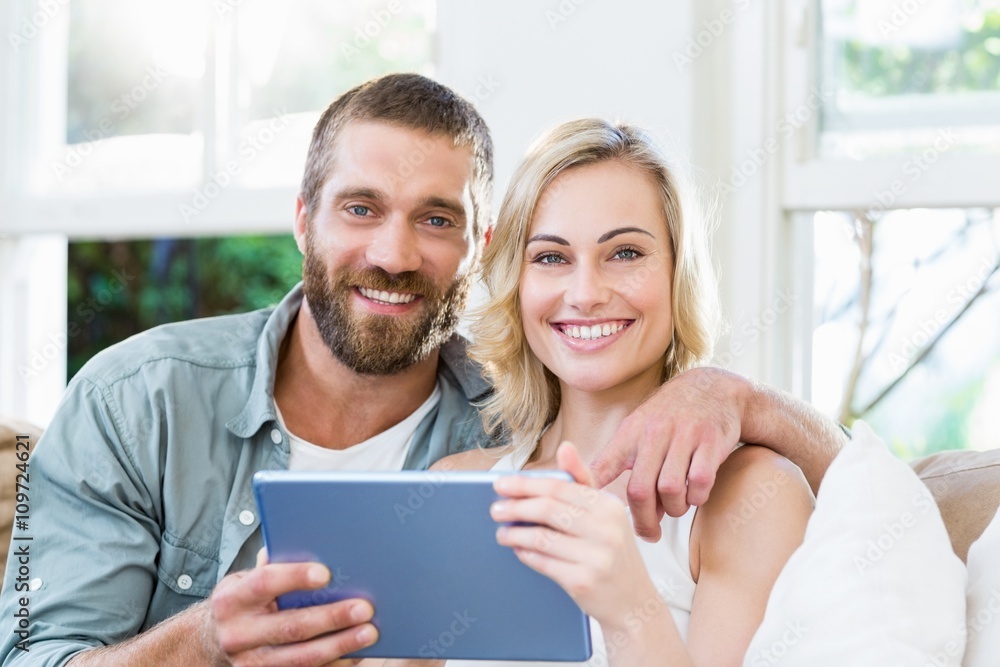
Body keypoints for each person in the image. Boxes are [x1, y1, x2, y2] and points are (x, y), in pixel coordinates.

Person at [0, 74, 843, 667]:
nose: (394, 253)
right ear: (303, 219)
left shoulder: (719, 480)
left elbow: (872, 503)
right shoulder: (136, 400)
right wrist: (206, 641)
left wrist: (740, 395)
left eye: (436, 219)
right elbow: (32, 652)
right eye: (360, 207)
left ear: (479, 248)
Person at [434, 118, 814, 666]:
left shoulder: (752, 497)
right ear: (517, 283)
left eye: (626, 253)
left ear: (679, 272)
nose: (586, 293)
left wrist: (628, 604)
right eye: (551, 258)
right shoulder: (455, 486)